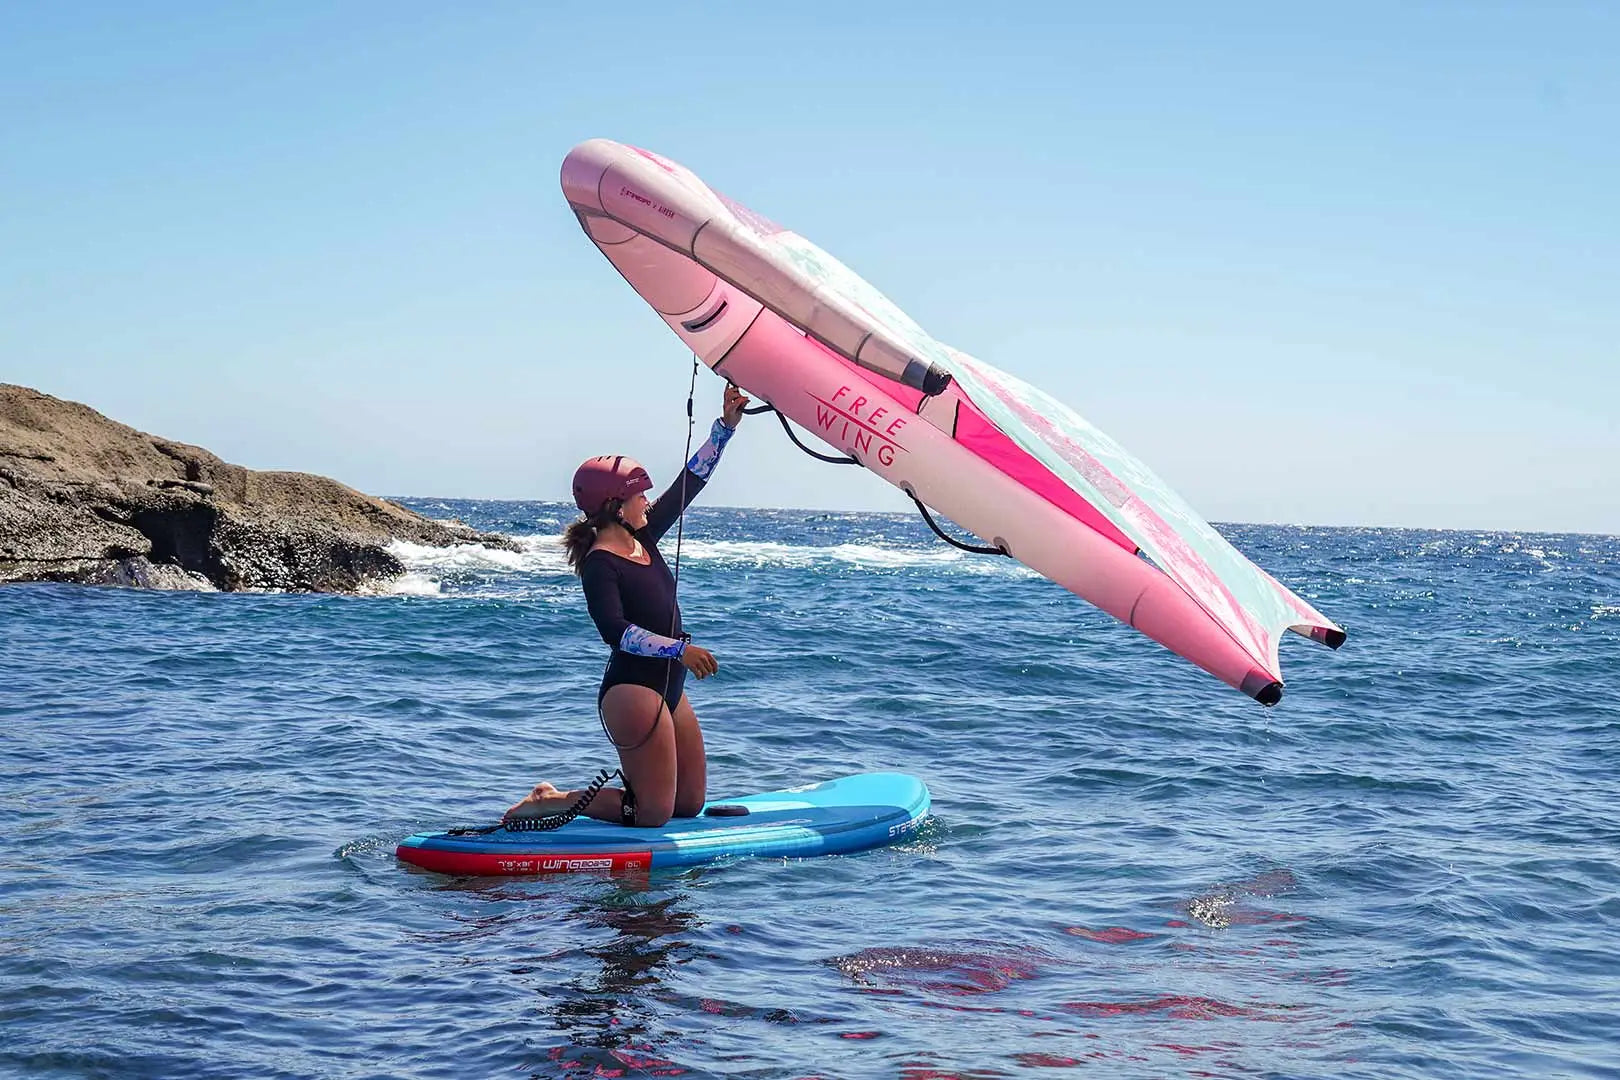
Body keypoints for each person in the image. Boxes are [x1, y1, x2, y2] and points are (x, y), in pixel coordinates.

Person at [503, 385, 749, 828]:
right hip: (632, 689)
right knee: (650, 813)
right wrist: (679, 650)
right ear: (615, 506)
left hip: (670, 686)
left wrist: (724, 428)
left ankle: (568, 798)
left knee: (687, 804)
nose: (647, 502)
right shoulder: (600, 564)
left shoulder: (644, 536)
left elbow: (690, 482)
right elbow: (615, 632)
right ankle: (551, 799)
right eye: (639, 497)